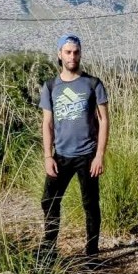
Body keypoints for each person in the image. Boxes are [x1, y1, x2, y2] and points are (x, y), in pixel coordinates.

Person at [40, 33, 109, 259]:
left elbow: (104, 120)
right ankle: (48, 252)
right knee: (49, 201)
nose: (72, 56)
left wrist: (99, 155)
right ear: (59, 54)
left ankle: (91, 254)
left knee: (90, 204)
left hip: (87, 155)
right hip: (61, 155)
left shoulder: (92, 84)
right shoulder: (51, 86)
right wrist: (48, 157)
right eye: (68, 52)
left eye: (76, 52)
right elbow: (47, 122)